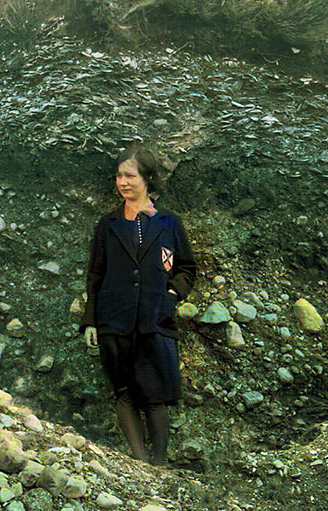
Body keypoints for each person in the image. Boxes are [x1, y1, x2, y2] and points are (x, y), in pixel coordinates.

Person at [80, 147, 196, 465]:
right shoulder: (108, 225)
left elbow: (186, 267)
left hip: (155, 319)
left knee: (156, 396)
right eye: (119, 176)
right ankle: (139, 464)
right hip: (114, 320)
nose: (122, 182)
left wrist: (171, 295)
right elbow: (95, 274)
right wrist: (91, 320)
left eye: (130, 175)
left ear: (146, 179)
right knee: (125, 393)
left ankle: (158, 464)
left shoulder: (169, 223)